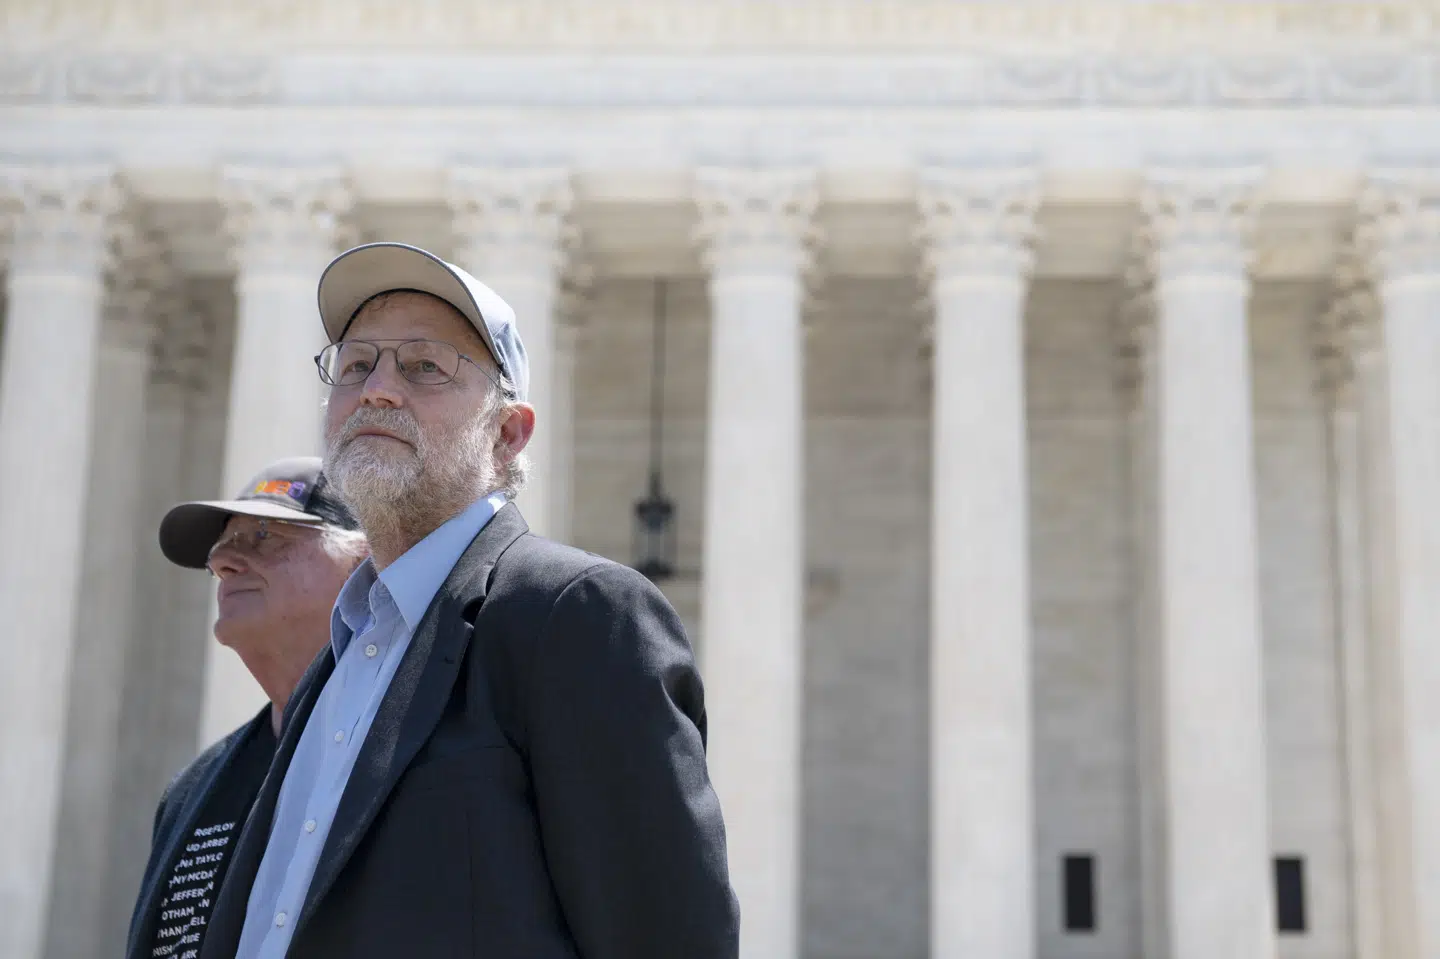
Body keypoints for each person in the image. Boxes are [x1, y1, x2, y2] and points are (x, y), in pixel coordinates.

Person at [199, 242, 739, 959]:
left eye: (424, 366)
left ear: (509, 434)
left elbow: (671, 938)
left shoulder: (577, 616)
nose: (377, 389)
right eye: (356, 365)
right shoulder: (333, 667)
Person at [125, 458, 367, 959]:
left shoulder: (430, 744)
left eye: (263, 537)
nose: (224, 563)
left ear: (364, 562)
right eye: (220, 550)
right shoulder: (192, 791)